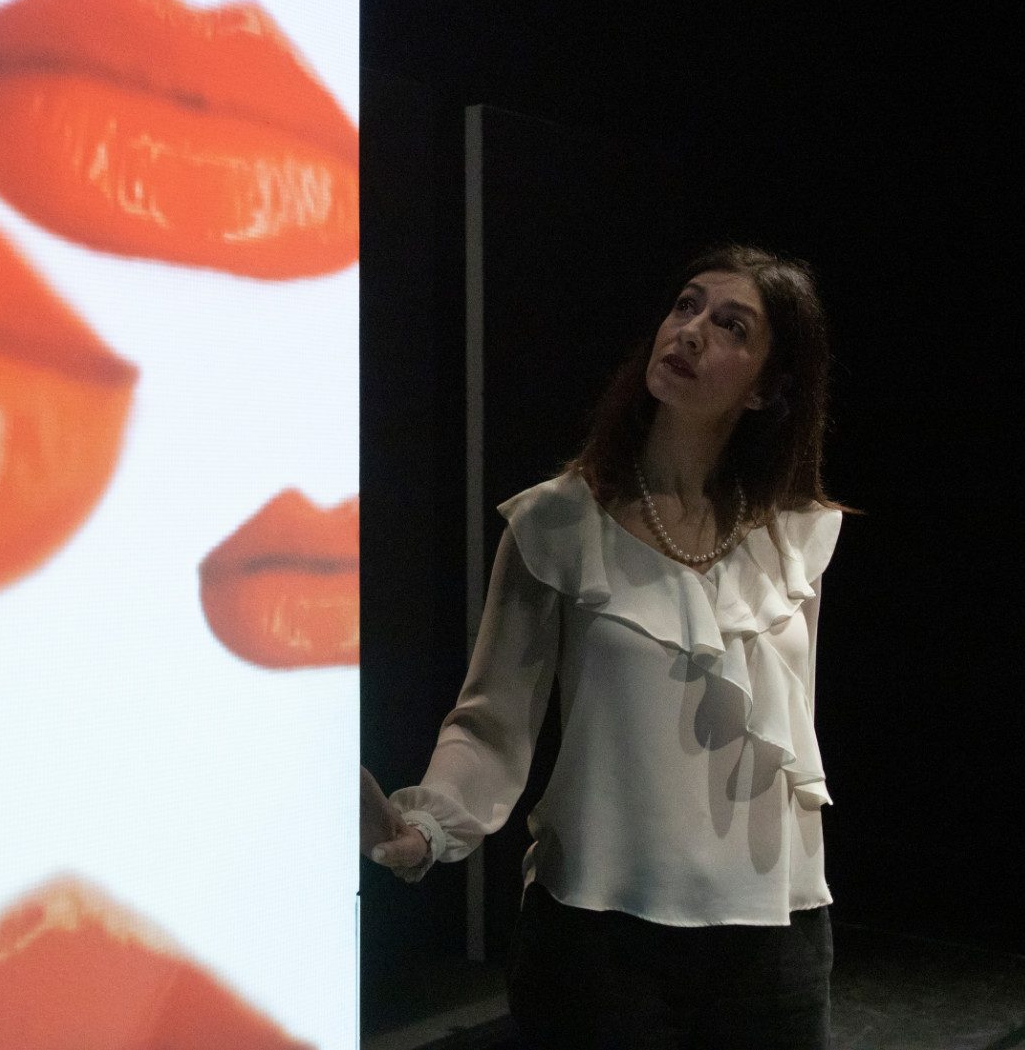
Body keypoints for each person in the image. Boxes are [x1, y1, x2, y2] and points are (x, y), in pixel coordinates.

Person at [361, 244, 856, 1049]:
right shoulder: (558, 523)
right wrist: (429, 823)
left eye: (731, 325)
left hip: (777, 937)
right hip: (602, 943)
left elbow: (792, 733)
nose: (691, 330)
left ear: (768, 386)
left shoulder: (795, 538)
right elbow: (491, 725)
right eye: (686, 305)